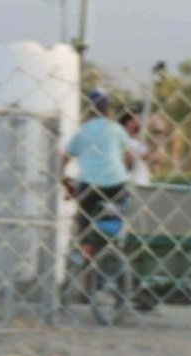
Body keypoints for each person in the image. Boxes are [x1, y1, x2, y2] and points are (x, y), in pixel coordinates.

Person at [61, 90, 133, 246]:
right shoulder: (115, 128)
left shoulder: (82, 130)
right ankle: (119, 241)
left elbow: (64, 159)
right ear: (107, 108)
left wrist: (65, 180)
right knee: (123, 208)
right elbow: (130, 157)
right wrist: (126, 171)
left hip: (89, 184)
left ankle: (85, 245)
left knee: (83, 219)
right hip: (116, 182)